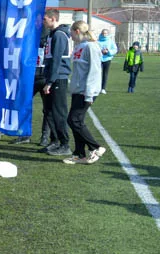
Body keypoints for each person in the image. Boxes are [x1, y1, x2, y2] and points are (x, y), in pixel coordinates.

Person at [63, 21, 106, 165]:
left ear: (76, 31)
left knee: (73, 120)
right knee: (77, 121)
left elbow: (94, 71)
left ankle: (96, 147)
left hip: (86, 91)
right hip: (78, 90)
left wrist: (89, 94)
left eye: (70, 31)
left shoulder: (91, 47)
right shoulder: (78, 47)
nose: (70, 35)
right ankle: (79, 154)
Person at [12, 23, 53, 145]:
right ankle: (26, 134)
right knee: (23, 105)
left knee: (47, 109)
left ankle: (44, 136)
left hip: (42, 77)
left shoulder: (50, 39)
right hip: (33, 77)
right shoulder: (29, 39)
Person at [40, 10, 72, 156]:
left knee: (59, 112)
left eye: (45, 19)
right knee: (49, 111)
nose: (43, 22)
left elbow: (57, 60)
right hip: (51, 76)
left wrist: (51, 81)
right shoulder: (51, 35)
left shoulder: (59, 35)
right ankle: (55, 141)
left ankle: (65, 144)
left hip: (58, 78)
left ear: (53, 19)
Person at [97, 28, 117, 94]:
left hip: (107, 59)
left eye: (105, 33)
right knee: (97, 74)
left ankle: (103, 88)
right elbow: (95, 49)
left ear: (107, 34)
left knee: (105, 74)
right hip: (99, 59)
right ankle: (97, 88)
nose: (104, 34)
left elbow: (115, 49)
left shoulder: (110, 41)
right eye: (103, 33)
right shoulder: (98, 41)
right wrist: (101, 51)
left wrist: (108, 52)